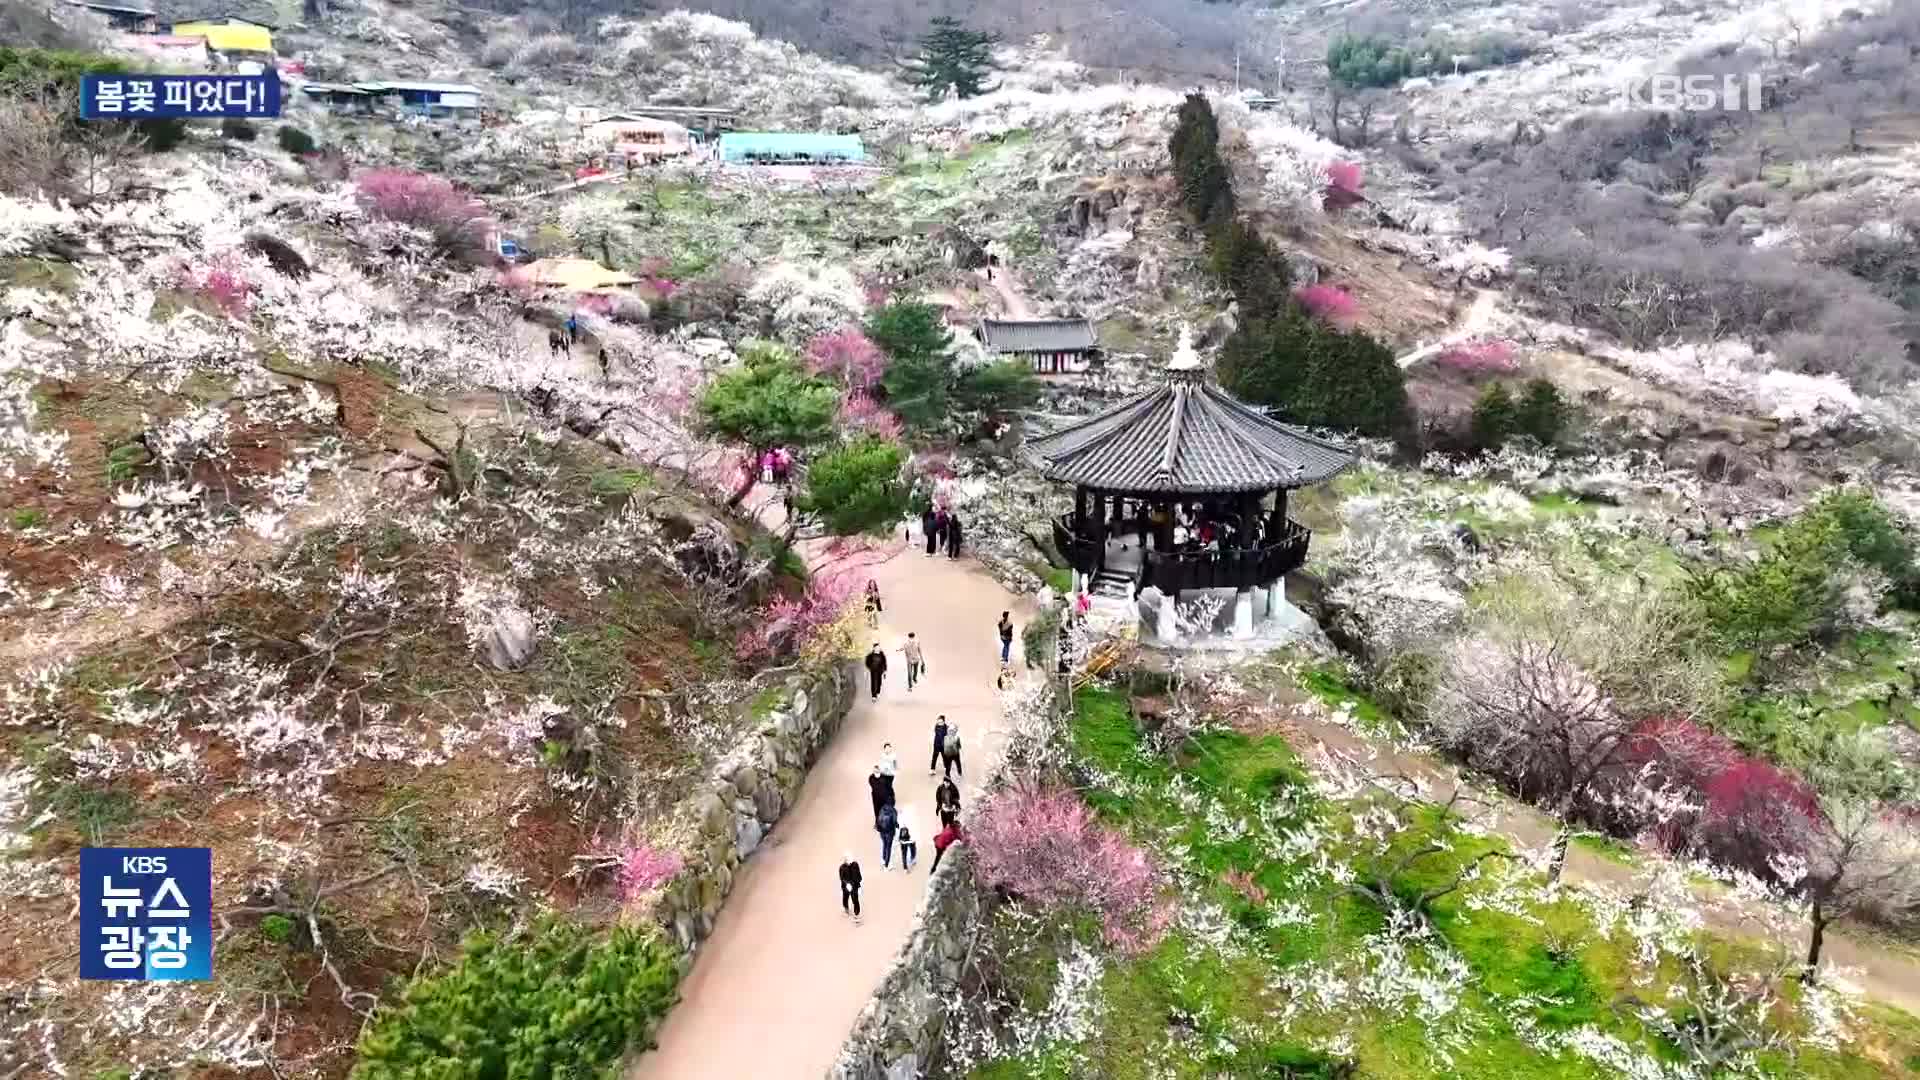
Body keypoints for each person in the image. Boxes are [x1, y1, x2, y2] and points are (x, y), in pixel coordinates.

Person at [839, 852, 863, 923]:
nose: (849, 862)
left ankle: (857, 914)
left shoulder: (855, 865)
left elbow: (858, 875)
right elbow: (842, 878)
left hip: (855, 886)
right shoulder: (842, 868)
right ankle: (846, 908)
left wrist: (858, 883)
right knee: (845, 898)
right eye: (847, 860)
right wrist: (847, 884)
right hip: (846, 887)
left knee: (855, 900)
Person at [876, 800, 898, 868]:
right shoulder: (893, 810)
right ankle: (886, 863)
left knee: (884, 845)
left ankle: (883, 859)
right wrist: (897, 825)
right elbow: (894, 821)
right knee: (889, 847)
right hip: (890, 832)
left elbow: (879, 819)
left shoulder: (882, 809)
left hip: (882, 831)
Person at [897, 807, 918, 871]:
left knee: (909, 850)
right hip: (904, 837)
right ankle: (906, 866)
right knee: (905, 852)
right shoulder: (900, 824)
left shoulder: (905, 820)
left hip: (907, 836)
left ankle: (911, 860)